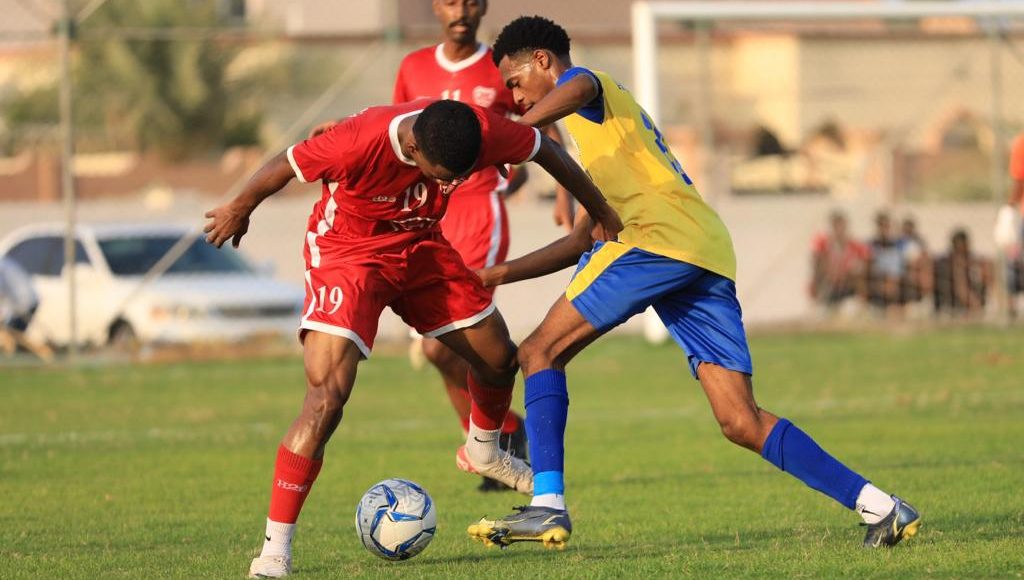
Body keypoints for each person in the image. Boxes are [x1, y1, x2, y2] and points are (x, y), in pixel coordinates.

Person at [466, 15, 920, 550]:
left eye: (516, 83)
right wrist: (495, 274)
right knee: (740, 421)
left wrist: (512, 135)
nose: (515, 97)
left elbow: (580, 85)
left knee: (539, 351)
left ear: (543, 61)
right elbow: (581, 239)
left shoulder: (585, 86)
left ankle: (547, 505)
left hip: (656, 241)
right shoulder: (606, 145)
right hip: (701, 247)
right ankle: (882, 507)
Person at [203, 99, 622, 578]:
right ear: (413, 146)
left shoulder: (476, 130)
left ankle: (484, 450)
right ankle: (275, 550)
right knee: (326, 400)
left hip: (421, 249)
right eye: (444, 175)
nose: (451, 183)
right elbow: (285, 163)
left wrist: (599, 209)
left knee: (498, 359)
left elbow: (544, 148)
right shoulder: (356, 142)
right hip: (349, 255)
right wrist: (240, 207)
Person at [809, 210, 868, 314]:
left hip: (846, 281)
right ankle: (823, 302)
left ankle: (860, 305)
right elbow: (816, 260)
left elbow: (865, 259)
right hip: (829, 281)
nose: (839, 229)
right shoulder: (823, 242)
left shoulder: (853, 244)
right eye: (836, 226)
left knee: (857, 273)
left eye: (841, 226)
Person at [933, 229, 991, 317]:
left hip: (969, 302)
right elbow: (960, 287)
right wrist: (975, 305)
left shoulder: (973, 261)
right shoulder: (945, 263)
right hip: (950, 305)